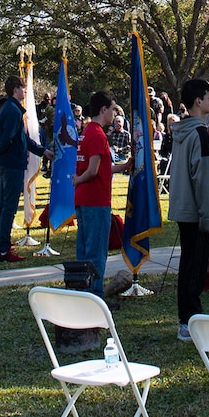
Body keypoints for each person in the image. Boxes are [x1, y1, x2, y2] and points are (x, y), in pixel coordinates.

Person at [167, 78, 209, 341]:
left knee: (188, 264)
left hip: (182, 206)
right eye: (208, 96)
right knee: (195, 267)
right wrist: (207, 213)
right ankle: (189, 320)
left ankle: (187, 316)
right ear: (197, 101)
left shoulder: (181, 131)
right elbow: (203, 176)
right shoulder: (199, 132)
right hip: (197, 211)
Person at [0, 75, 43, 263]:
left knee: (2, 206)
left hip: (7, 162)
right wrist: (1, 148)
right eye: (23, 88)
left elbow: (23, 138)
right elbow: (10, 136)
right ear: (15, 90)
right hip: (11, 163)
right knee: (8, 207)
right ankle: (2, 249)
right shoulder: (13, 110)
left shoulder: (11, 109)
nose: (25, 91)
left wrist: (43, 151)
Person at [73, 91, 120, 296]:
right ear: (103, 110)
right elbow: (92, 171)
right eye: (112, 109)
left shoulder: (86, 132)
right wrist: (78, 179)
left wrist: (125, 165)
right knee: (96, 250)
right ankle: (95, 294)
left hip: (84, 199)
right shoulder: (99, 135)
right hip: (96, 200)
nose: (114, 113)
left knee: (84, 249)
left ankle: (82, 289)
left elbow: (102, 167)